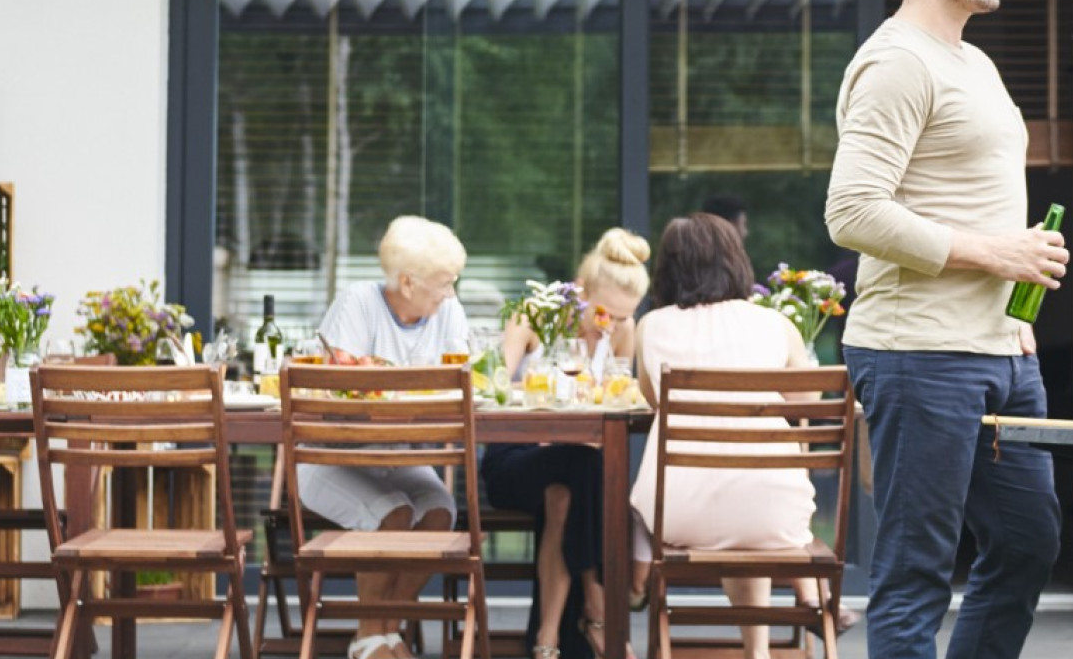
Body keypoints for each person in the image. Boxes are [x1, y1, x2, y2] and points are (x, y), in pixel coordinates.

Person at [823, 0, 1068, 659]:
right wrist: (993, 253)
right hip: (919, 353)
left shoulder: (976, 63)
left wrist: (1009, 299)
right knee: (915, 574)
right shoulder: (898, 62)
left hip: (999, 349)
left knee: (1029, 542)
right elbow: (852, 211)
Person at [630, 213, 822, 659]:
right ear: (735, 261)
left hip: (677, 512)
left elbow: (653, 399)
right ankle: (760, 649)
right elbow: (808, 399)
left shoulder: (651, 326)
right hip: (770, 508)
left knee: (729, 502)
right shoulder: (775, 324)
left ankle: (629, 605)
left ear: (668, 269)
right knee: (747, 503)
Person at [300, 215, 473, 659]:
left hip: (398, 455)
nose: (451, 292)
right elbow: (337, 392)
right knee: (394, 514)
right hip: (330, 458)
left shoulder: (448, 312)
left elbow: (465, 383)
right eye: (443, 283)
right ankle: (368, 638)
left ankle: (385, 632)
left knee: (438, 514)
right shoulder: (358, 302)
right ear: (409, 283)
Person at [482, 227, 650, 659]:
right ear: (581, 290)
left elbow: (617, 399)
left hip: (576, 464)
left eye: (622, 316)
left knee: (567, 492)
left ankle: (547, 639)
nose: (611, 324)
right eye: (605, 312)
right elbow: (493, 388)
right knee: (584, 473)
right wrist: (538, 397)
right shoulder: (535, 316)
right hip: (515, 459)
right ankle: (597, 611)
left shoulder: (622, 330)